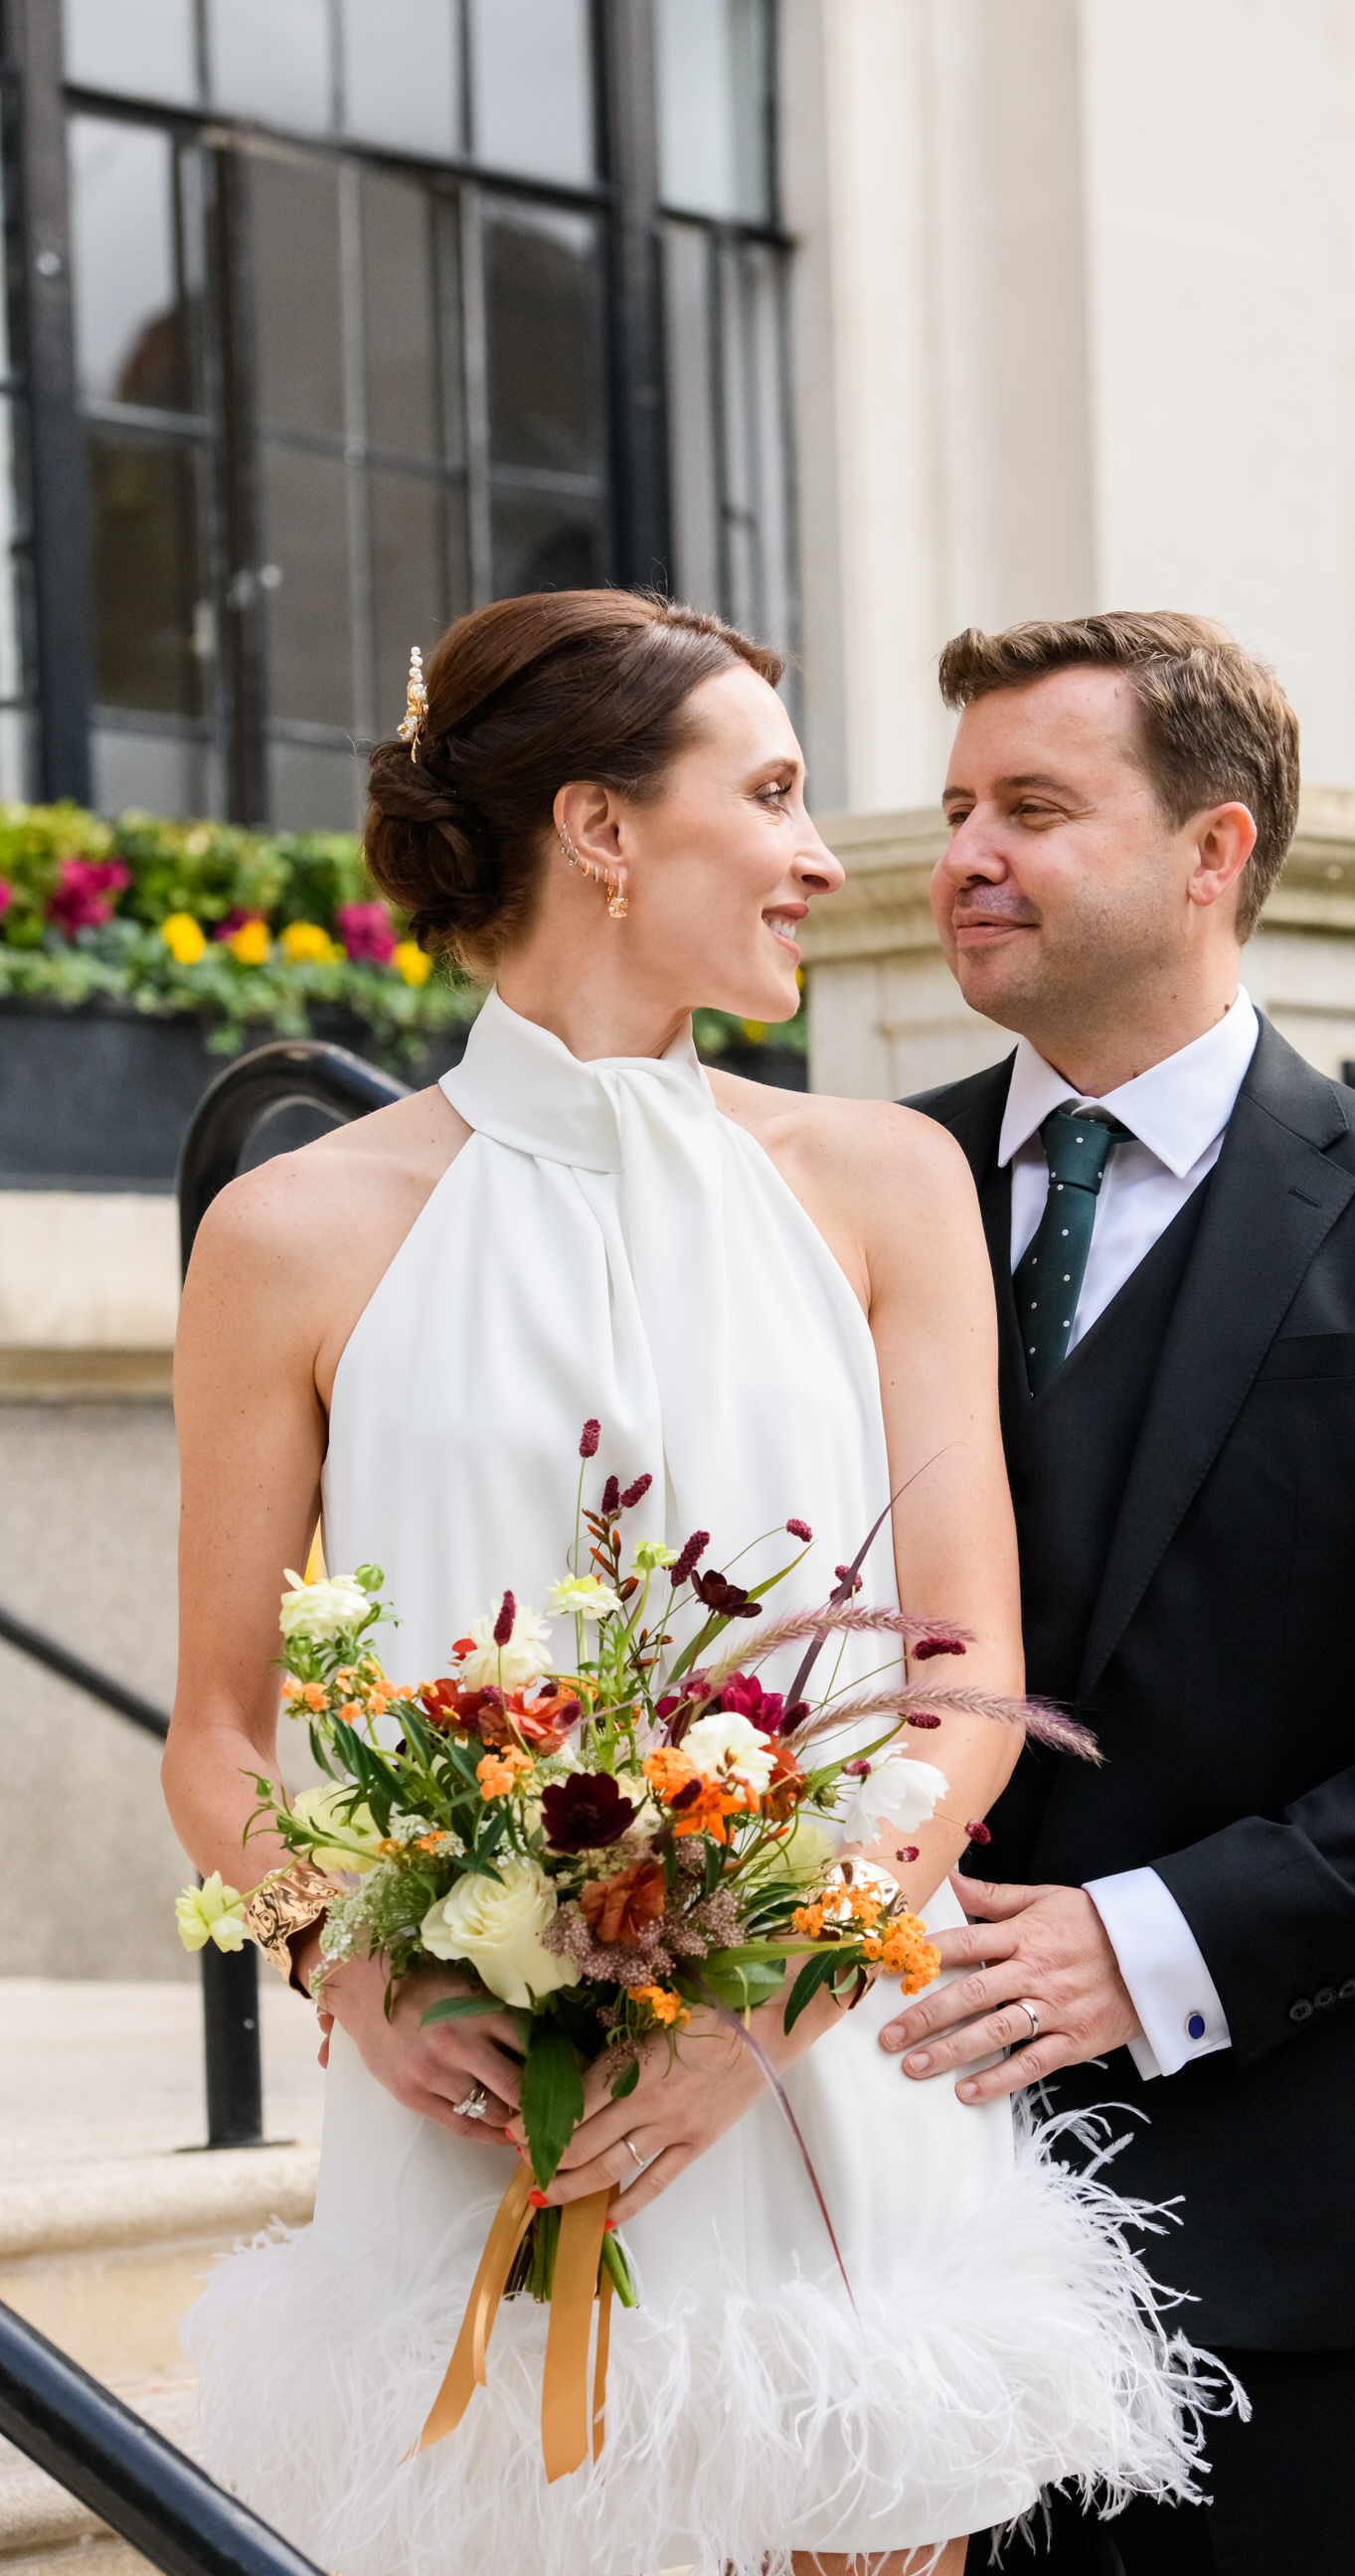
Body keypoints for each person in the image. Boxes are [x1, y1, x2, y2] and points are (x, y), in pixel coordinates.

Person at [163, 591, 1213, 2576]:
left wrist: (767, 2010)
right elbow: (217, 1734)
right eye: (776, 793)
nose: (826, 856)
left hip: (834, 2088)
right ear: (603, 830)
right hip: (477, 2111)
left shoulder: (886, 1183)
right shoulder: (290, 1233)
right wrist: (359, 1969)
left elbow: (968, 1673)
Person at [882, 611, 1355, 2576]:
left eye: (1033, 807)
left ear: (1213, 850)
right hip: (868, 2215)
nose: (965, 856)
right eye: (955, 810)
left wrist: (1151, 1943)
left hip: (1276, 2236)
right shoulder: (857, 1191)